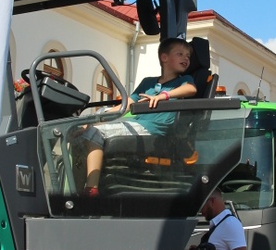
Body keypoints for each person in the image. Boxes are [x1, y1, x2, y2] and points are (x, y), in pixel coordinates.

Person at [82, 37, 197, 193]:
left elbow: (191, 89)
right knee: (82, 131)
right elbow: (126, 105)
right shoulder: (147, 82)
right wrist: (95, 120)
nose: (186, 58)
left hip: (152, 129)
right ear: (164, 57)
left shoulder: (184, 81)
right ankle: (77, 186)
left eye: (188, 56)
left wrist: (164, 96)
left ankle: (91, 189)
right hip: (136, 123)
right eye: (180, 54)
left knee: (95, 133)